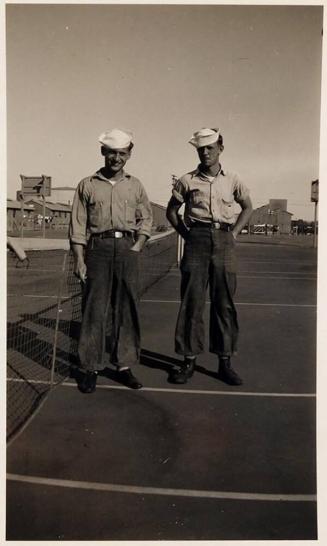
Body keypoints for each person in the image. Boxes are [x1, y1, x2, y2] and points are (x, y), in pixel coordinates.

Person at [166, 128, 253, 385]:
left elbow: (248, 206)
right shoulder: (187, 180)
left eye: (210, 148)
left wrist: (234, 233)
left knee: (224, 302)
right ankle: (188, 360)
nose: (205, 152)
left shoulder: (233, 179)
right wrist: (187, 234)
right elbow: (171, 212)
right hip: (197, 240)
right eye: (201, 148)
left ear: (220, 149)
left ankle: (224, 362)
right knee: (192, 301)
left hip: (224, 240)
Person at [69, 128, 153, 393]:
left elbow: (146, 218)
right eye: (112, 152)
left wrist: (138, 245)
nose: (116, 158)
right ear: (103, 152)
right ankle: (90, 367)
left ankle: (124, 366)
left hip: (127, 249)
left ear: (129, 154)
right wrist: (79, 260)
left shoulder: (135, 184)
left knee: (126, 308)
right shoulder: (87, 185)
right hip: (98, 249)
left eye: (122, 153)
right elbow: (78, 226)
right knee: (94, 310)